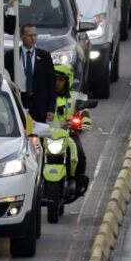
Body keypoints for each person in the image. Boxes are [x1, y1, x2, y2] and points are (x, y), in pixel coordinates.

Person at [51, 63, 92, 198]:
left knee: (80, 153)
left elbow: (84, 110)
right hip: (46, 135)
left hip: (69, 135)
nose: (57, 83)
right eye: (55, 79)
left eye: (61, 80)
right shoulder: (44, 96)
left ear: (67, 80)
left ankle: (78, 183)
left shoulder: (75, 96)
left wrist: (84, 122)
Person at [3, 24, 56, 122]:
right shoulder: (11, 55)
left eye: (35, 35)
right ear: (21, 37)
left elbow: (51, 84)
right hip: (19, 99)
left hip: (38, 103)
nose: (33, 38)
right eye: (29, 36)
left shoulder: (44, 56)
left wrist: (51, 109)